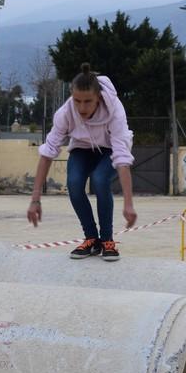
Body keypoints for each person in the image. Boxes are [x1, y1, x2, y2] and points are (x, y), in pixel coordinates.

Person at [26, 63, 137, 260]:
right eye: (77, 101)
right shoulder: (65, 113)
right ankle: (91, 239)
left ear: (99, 97)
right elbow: (47, 153)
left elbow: (121, 158)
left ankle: (107, 241)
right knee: (74, 183)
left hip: (110, 149)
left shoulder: (114, 111)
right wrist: (35, 200)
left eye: (88, 101)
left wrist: (128, 204)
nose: (82, 108)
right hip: (82, 149)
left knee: (100, 180)